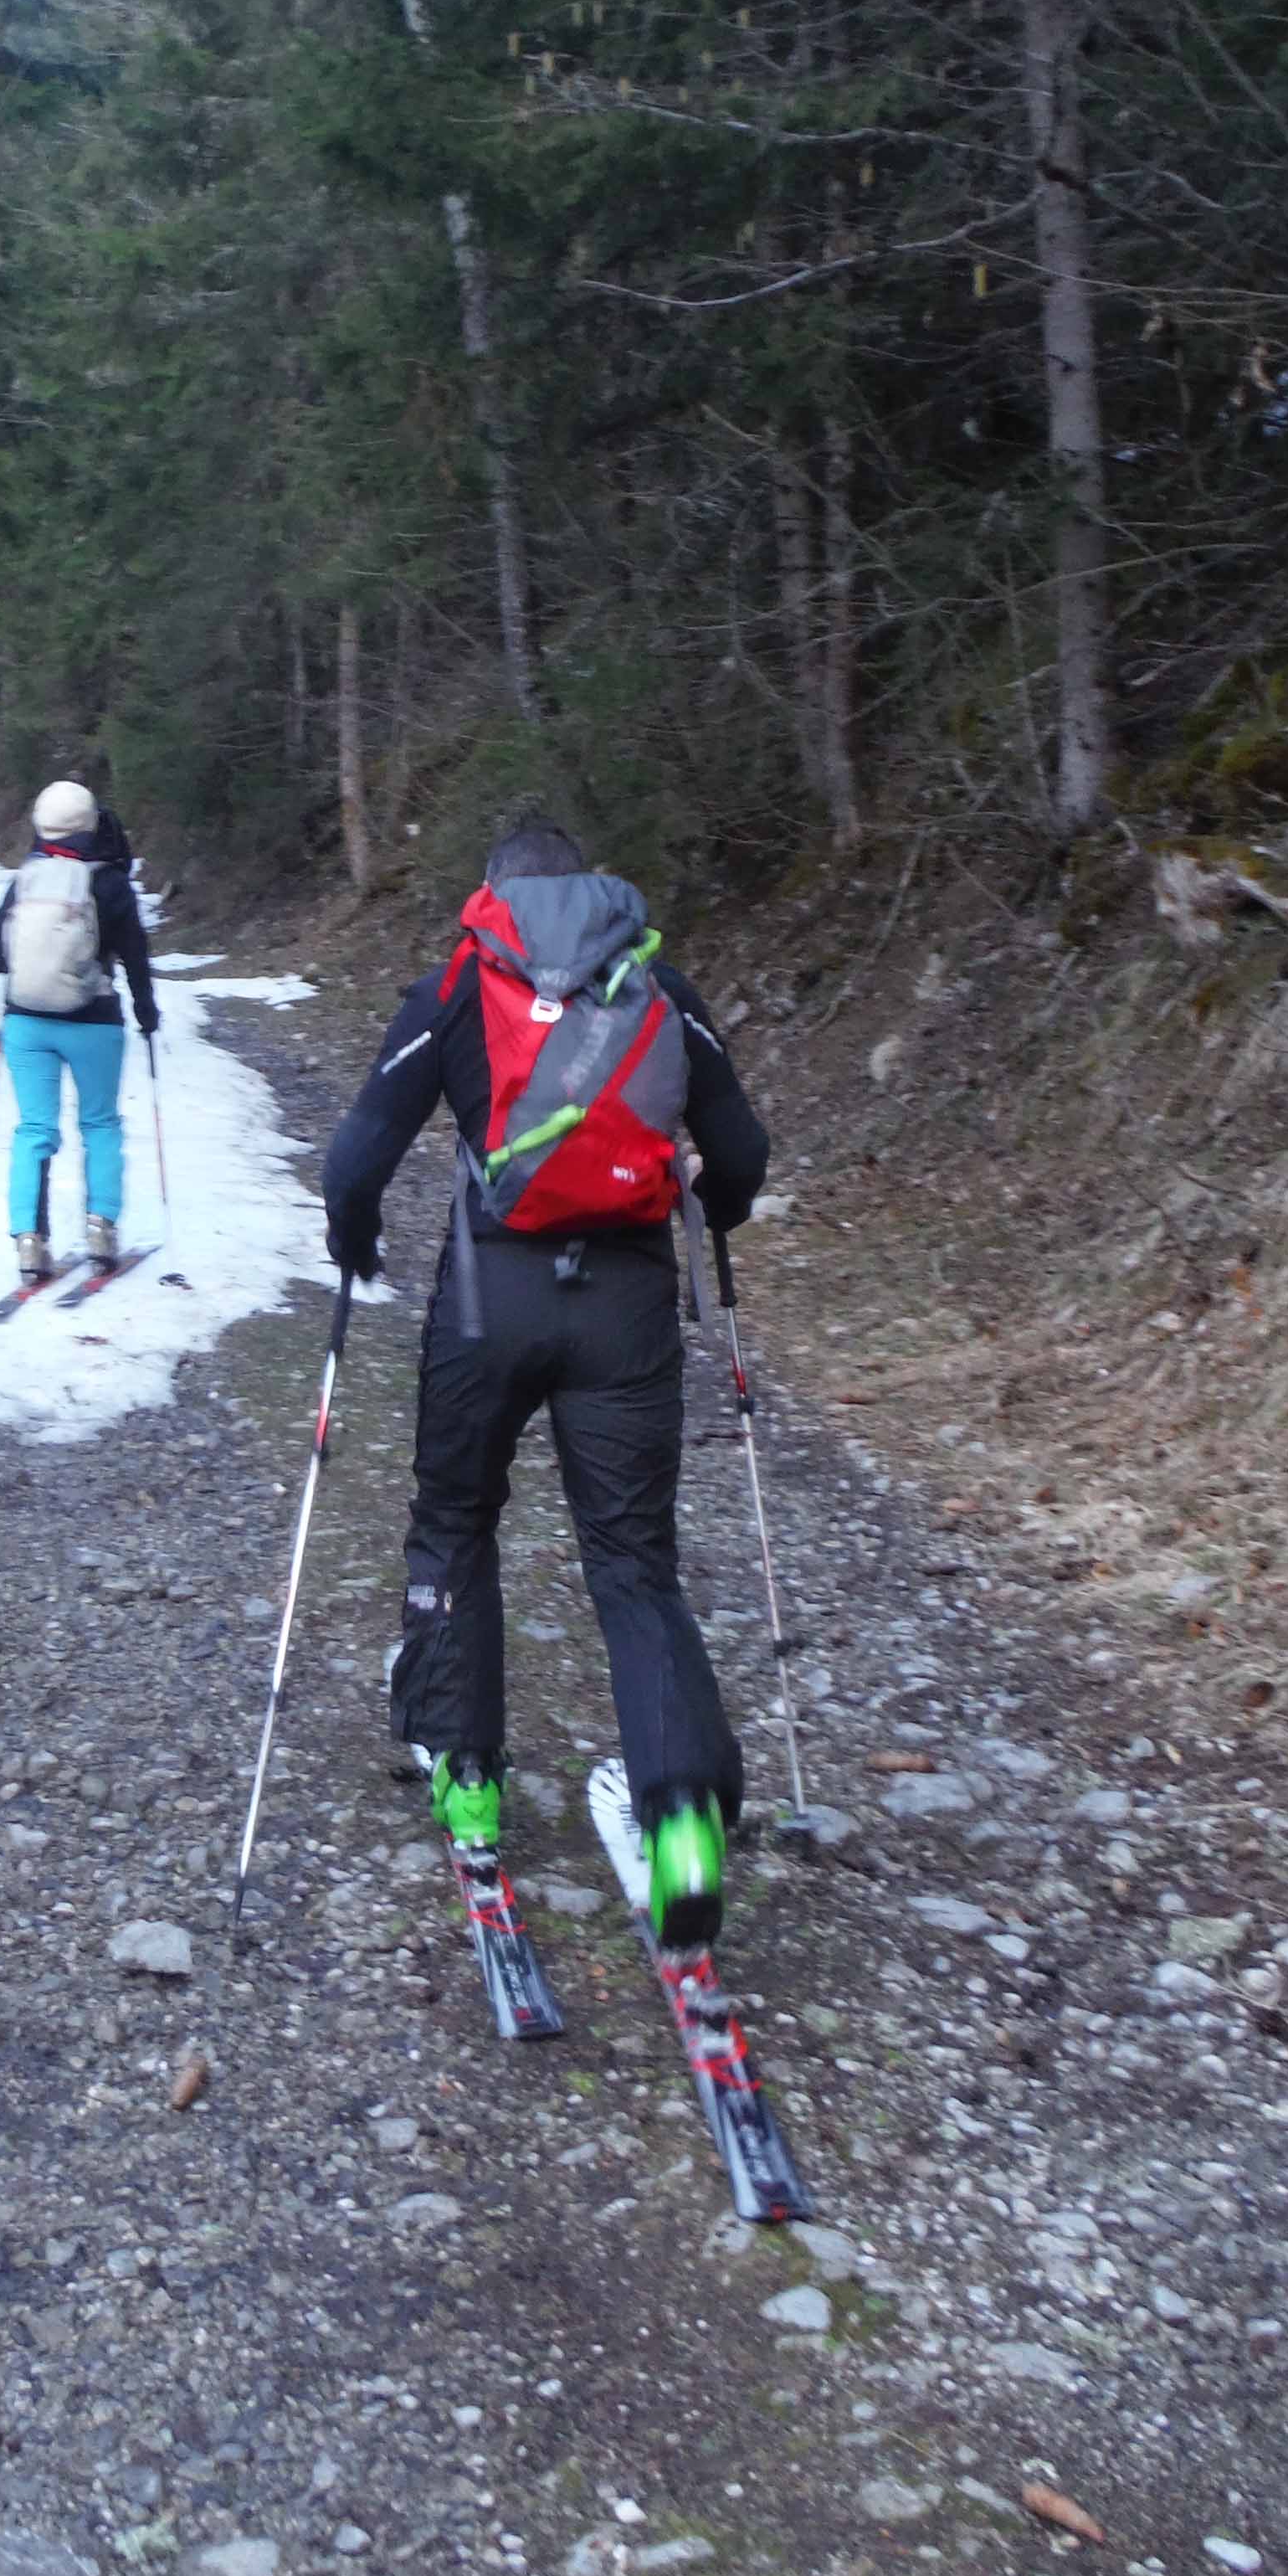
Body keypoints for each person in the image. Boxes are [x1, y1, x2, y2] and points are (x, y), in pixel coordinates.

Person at [317, 820, 771, 1956]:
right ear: (592, 886)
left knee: (455, 1520)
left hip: (488, 1304)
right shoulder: (660, 985)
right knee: (632, 1560)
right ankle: (683, 1828)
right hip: (628, 1311)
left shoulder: (458, 987)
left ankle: (467, 1778)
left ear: (494, 894)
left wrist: (354, 1244)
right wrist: (714, 1211)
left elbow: (353, 1164)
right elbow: (743, 1157)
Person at [0, 779, 161, 1283]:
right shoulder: (110, 883)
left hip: (25, 1021)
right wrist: (147, 1014)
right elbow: (136, 956)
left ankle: (29, 1240)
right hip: (93, 1022)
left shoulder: (26, 879)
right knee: (99, 1124)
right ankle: (101, 1230)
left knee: (34, 1129)